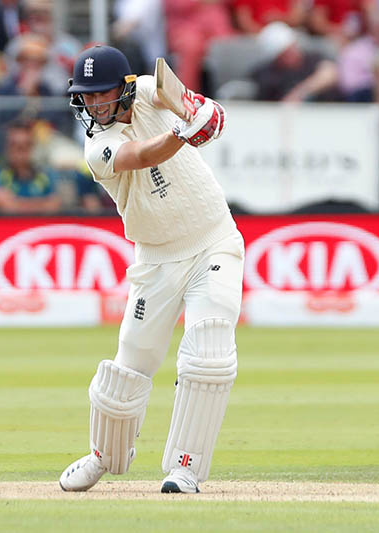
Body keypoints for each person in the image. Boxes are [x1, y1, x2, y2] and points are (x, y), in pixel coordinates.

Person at [59, 45, 242, 494]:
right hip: (156, 259)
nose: (95, 106)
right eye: (88, 98)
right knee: (131, 364)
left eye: (103, 95)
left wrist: (204, 114)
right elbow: (141, 155)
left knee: (209, 349)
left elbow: (194, 107)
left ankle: (185, 468)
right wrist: (183, 133)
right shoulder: (97, 146)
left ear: (123, 89)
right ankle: (105, 455)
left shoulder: (146, 88)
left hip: (214, 239)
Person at [0, 120, 62, 214]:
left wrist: (17, 202)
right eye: (15, 145)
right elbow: (8, 206)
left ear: (33, 146)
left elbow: (54, 205)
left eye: (26, 146)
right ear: (6, 147)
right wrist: (41, 203)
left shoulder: (47, 175)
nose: (20, 152)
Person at [251, 22, 340, 101]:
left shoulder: (312, 58)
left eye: (292, 47)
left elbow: (329, 73)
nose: (293, 52)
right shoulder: (268, 74)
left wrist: (300, 93)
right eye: (285, 52)